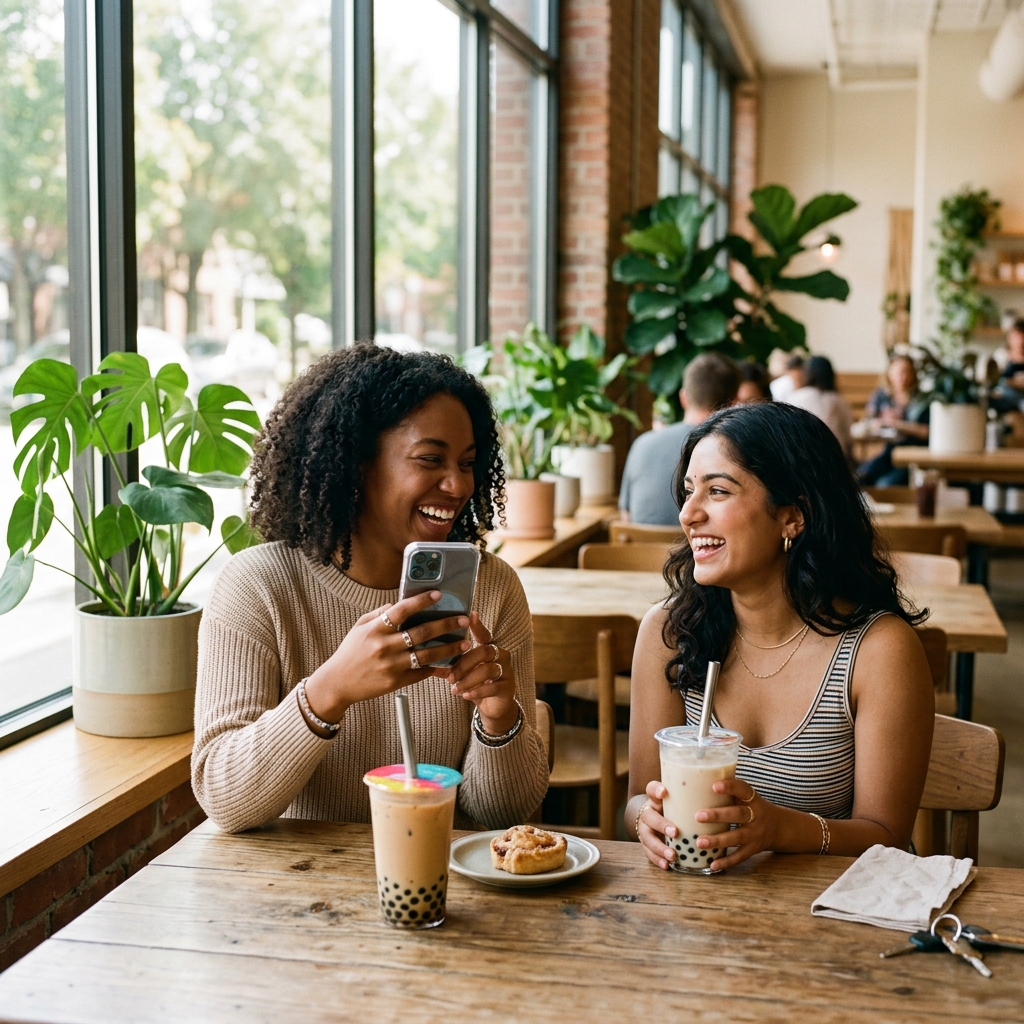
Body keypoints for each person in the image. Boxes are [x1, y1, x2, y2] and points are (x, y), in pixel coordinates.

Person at [192, 344, 549, 833]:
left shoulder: (492, 590)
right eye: (430, 459)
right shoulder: (258, 587)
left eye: (467, 463)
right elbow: (224, 799)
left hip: (441, 882)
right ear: (357, 464)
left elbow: (504, 815)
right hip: (296, 891)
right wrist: (330, 689)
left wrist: (498, 717)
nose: (457, 485)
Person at [626, 402, 934, 871]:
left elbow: (889, 837)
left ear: (793, 517)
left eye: (718, 491)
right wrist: (645, 822)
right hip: (694, 912)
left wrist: (780, 829)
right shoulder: (669, 633)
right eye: (689, 491)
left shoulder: (879, 651)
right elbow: (634, 803)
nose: (689, 513)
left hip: (832, 916)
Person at [619, 353, 740, 525]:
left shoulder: (642, 443)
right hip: (699, 549)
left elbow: (626, 515)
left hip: (639, 550)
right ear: (733, 404)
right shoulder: (732, 450)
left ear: (683, 398)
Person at [858, 355, 930, 486]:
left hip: (910, 457)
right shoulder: (882, 395)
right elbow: (869, 421)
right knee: (861, 476)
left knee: (885, 485)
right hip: (886, 452)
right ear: (889, 373)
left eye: (907, 371)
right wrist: (876, 425)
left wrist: (897, 425)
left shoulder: (921, 401)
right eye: (899, 372)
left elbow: (926, 432)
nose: (903, 376)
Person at [782, 355, 854, 459]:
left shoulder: (795, 398)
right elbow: (848, 438)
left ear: (807, 373)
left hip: (804, 459)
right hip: (836, 459)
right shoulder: (840, 401)